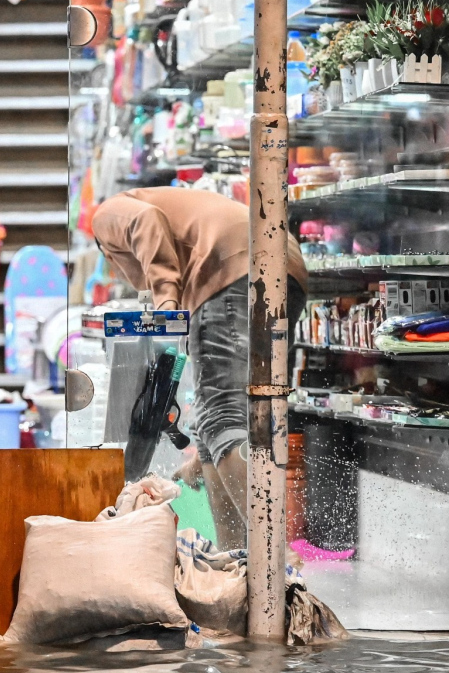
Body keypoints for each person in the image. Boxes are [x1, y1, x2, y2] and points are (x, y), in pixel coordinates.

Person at [91, 187, 308, 548]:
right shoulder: (181, 219)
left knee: (222, 416)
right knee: (228, 419)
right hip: (286, 266)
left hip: (232, 267)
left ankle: (273, 556)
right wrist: (198, 463)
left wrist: (165, 307)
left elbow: (146, 223)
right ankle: (233, 562)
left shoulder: (106, 216)